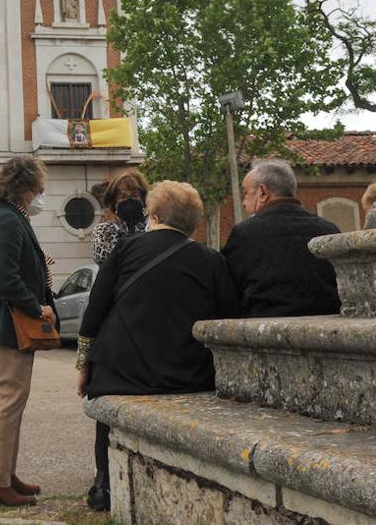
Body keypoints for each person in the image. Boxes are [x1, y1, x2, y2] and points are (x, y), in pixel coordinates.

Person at [76, 180, 238, 511]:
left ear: (154, 214)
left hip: (122, 372)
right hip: (186, 373)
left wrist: (84, 365)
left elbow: (94, 311)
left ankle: (104, 485)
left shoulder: (125, 249)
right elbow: (228, 319)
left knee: (105, 412)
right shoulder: (212, 261)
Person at [0, 155, 54, 508]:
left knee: (12, 401)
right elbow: (7, 278)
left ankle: (6, 472)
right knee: (8, 402)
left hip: (4, 324)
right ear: (24, 188)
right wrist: (38, 307)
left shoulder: (9, 217)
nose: (40, 195)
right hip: (8, 324)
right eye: (38, 189)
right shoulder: (6, 220)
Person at [221, 159, 342, 317]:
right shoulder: (329, 230)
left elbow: (228, 291)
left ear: (263, 193)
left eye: (245, 193)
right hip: (326, 330)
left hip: (265, 332)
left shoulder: (245, 234)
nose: (243, 203)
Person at [88, 169, 151, 266]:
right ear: (114, 203)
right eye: (123, 197)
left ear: (143, 199)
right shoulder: (103, 231)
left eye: (134, 195)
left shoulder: (152, 226)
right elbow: (105, 259)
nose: (129, 200)